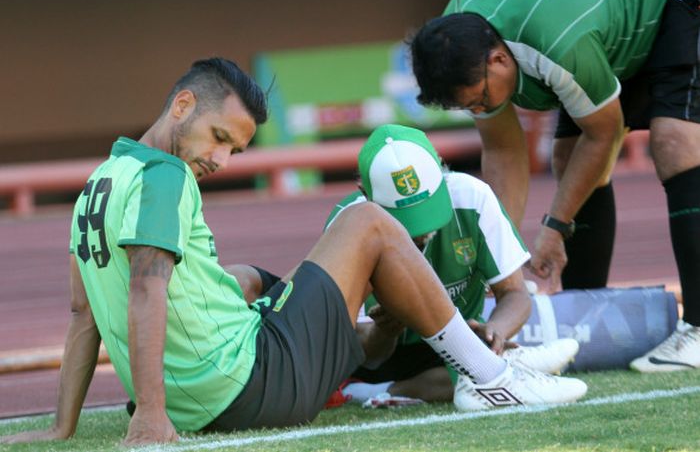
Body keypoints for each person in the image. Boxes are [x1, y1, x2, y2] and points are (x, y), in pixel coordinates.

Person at [0, 58, 587, 446]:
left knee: (249, 279)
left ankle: (374, 353)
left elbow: (84, 316)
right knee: (369, 222)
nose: (220, 160)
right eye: (220, 138)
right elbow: (147, 288)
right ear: (182, 106)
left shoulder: (98, 184)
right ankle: (489, 377)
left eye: (235, 149)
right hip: (248, 385)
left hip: (207, 395)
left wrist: (62, 426)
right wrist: (149, 414)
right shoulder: (165, 177)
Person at [410, 0, 700, 372]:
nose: (478, 109)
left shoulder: (559, 44)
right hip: (607, 26)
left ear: (498, 59)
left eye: (479, 99)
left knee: (675, 142)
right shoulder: (457, 42)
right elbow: (503, 151)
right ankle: (590, 317)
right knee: (567, 156)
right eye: (468, 107)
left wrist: (555, 227)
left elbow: (605, 134)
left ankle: (698, 326)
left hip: (676, 1)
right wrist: (495, 260)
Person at [325, 123, 580, 404]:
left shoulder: (473, 196)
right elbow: (365, 354)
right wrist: (385, 331)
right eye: (404, 217)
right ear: (365, 193)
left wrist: (496, 331)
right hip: (386, 357)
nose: (421, 231)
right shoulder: (346, 228)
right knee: (454, 370)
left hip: (462, 342)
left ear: (442, 168)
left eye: (427, 208)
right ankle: (503, 369)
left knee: (471, 352)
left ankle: (496, 359)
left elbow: (516, 295)